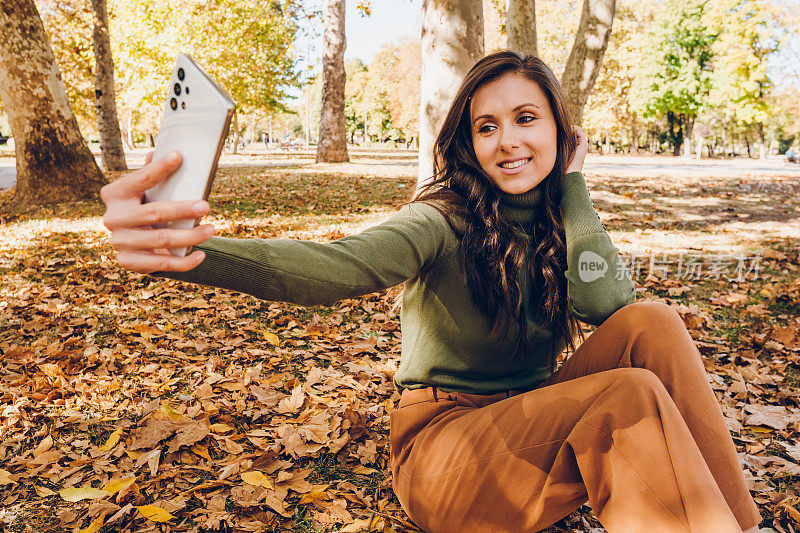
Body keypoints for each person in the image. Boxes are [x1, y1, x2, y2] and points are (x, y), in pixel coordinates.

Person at [100, 51, 762, 532]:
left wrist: (574, 187)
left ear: (560, 132)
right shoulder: (443, 217)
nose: (507, 140)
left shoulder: (561, 217)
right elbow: (336, 267)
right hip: (445, 453)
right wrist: (191, 252)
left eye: (526, 118)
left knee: (653, 320)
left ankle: (738, 525)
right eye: (486, 126)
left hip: (530, 420)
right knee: (629, 396)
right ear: (469, 143)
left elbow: (612, 307)